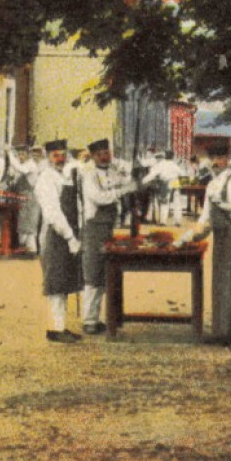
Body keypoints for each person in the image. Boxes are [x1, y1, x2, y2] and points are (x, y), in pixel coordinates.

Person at [181, 149, 231, 350]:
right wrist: (187, 237)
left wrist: (227, 206)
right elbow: (205, 218)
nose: (216, 162)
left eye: (220, 158)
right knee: (221, 284)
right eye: (213, 158)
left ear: (228, 159)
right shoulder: (211, 185)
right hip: (221, 240)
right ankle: (222, 333)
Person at [79, 138, 137, 335]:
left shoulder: (110, 171)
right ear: (94, 156)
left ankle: (98, 318)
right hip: (94, 227)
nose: (106, 157)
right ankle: (89, 320)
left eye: (107, 152)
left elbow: (123, 180)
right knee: (93, 274)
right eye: (101, 154)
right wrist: (123, 191)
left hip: (108, 227)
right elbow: (100, 198)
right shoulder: (89, 175)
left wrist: (133, 174)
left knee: (105, 274)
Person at [35, 139, 85, 342]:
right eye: (56, 155)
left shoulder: (66, 176)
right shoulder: (46, 179)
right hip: (55, 234)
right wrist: (70, 237)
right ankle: (54, 328)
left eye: (63, 155)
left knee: (64, 281)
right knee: (55, 282)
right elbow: (53, 213)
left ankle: (60, 326)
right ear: (48, 157)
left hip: (69, 233)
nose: (60, 159)